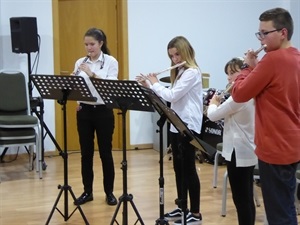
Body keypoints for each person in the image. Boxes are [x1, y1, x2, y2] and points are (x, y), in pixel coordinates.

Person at [231, 8, 300, 225]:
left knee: (279, 214)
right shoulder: (296, 57)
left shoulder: (272, 60)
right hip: (292, 142)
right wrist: (255, 69)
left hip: (274, 144)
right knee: (286, 204)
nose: (261, 39)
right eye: (259, 33)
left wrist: (245, 68)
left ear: (283, 32)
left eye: (265, 33)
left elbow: (240, 93)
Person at [136, 36, 203, 225]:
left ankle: (196, 213)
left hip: (188, 125)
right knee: (178, 168)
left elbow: (172, 95)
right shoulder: (180, 72)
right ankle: (183, 207)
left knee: (189, 169)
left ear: (186, 52)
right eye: (171, 56)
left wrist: (154, 83)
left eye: (177, 54)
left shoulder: (192, 72)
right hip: (176, 123)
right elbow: (169, 99)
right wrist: (149, 86)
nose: (174, 59)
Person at [207, 57, 257, 225]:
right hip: (246, 149)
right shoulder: (250, 91)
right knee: (247, 197)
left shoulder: (239, 96)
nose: (229, 78)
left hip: (238, 150)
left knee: (241, 199)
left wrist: (214, 103)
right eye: (227, 74)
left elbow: (213, 115)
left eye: (233, 73)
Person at [72, 27, 118, 206]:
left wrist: (92, 74)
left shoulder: (110, 61)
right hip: (85, 111)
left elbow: (110, 86)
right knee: (86, 153)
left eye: (92, 44)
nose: (89, 48)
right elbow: (77, 87)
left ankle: (109, 192)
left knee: (105, 153)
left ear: (101, 43)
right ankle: (87, 191)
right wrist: (75, 95)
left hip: (103, 111)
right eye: (86, 45)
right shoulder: (80, 62)